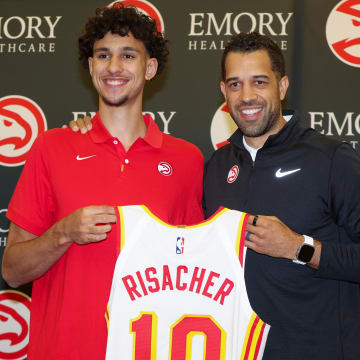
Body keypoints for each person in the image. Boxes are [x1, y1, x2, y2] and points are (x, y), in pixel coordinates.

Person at [2, 5, 203, 360]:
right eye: (103, 55)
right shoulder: (52, 147)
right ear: (91, 66)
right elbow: (13, 272)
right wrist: (62, 232)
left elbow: (195, 273)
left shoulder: (186, 160)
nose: (113, 67)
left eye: (128, 55)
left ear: (150, 68)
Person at [203, 32, 360, 359]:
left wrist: (299, 248)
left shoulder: (331, 159)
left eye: (259, 82)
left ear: (282, 86)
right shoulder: (216, 167)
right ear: (223, 92)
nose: (247, 96)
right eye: (235, 84)